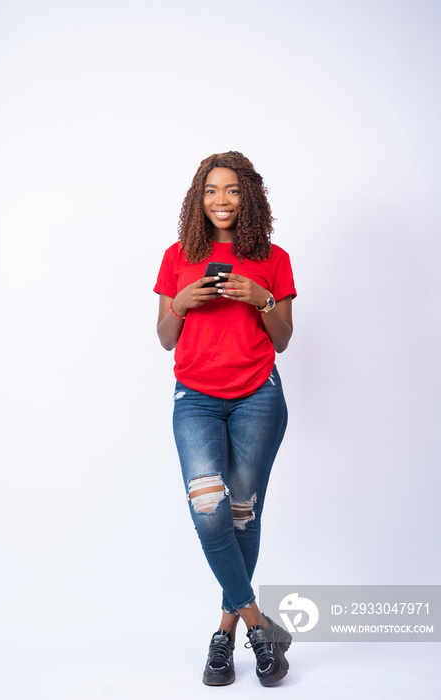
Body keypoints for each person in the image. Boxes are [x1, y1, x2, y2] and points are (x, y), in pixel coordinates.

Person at [153, 151, 297, 687]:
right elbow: (165, 338)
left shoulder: (274, 257)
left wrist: (262, 299)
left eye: (233, 190)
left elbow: (282, 339)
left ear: (248, 197)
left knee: (240, 513)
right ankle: (259, 627)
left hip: (258, 394)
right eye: (212, 190)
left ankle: (224, 633)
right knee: (208, 508)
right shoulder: (176, 256)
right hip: (194, 395)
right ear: (198, 197)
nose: (221, 200)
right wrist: (183, 302)